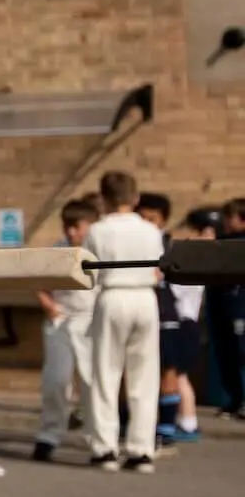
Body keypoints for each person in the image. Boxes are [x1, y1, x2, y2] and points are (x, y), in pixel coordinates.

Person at [83, 170, 162, 472]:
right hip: (144, 296)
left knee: (106, 373)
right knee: (144, 375)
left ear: (103, 199)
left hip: (112, 294)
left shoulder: (98, 230)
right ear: (136, 198)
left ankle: (105, 447)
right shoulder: (151, 230)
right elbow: (158, 268)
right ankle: (141, 449)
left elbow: (90, 271)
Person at [32, 197, 97, 462]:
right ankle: (49, 435)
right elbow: (38, 284)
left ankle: (99, 439)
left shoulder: (98, 250)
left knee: (93, 383)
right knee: (56, 380)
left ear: (90, 226)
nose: (71, 232)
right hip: (62, 320)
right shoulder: (58, 250)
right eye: (67, 226)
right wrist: (49, 306)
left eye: (77, 226)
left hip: (91, 320)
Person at [154, 204, 212, 447]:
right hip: (187, 322)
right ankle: (185, 420)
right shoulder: (200, 259)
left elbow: (177, 292)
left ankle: (188, 422)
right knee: (180, 376)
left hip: (184, 322)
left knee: (179, 376)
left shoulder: (194, 261)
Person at [209, 197, 245, 420]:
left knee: (242, 353)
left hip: (240, 305)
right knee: (226, 354)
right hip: (222, 304)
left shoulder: (238, 243)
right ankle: (234, 399)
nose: (224, 222)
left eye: (229, 217)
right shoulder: (220, 241)